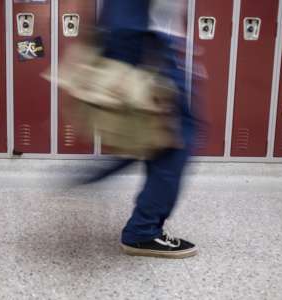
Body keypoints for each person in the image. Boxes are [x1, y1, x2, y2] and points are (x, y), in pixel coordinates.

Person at [97, 0, 198, 258]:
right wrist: (133, 68)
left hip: (157, 49)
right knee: (175, 142)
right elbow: (124, 16)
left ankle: (144, 227)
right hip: (152, 51)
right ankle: (142, 231)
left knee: (168, 141)